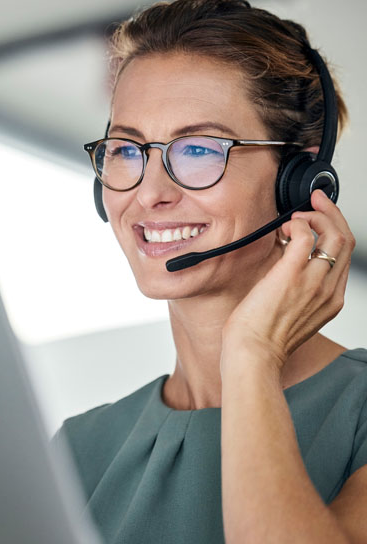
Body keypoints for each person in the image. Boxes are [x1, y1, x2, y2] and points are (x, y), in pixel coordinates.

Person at [52, 1, 367, 542]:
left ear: (300, 180)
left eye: (198, 148)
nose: (150, 194)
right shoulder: (74, 450)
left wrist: (250, 355)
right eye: (128, 149)